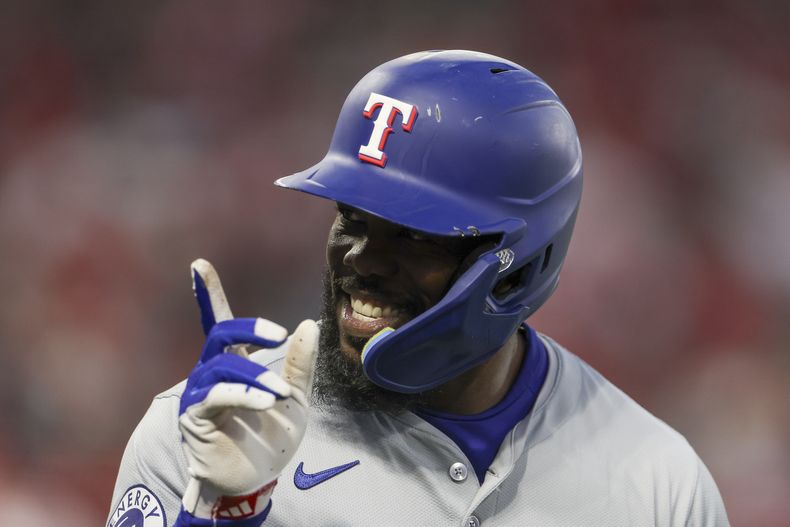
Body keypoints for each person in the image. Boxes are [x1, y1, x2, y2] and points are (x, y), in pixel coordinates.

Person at [107, 50, 729, 527]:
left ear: (517, 268)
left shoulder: (657, 483)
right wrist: (219, 515)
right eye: (351, 217)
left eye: (416, 236)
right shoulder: (207, 434)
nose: (361, 258)